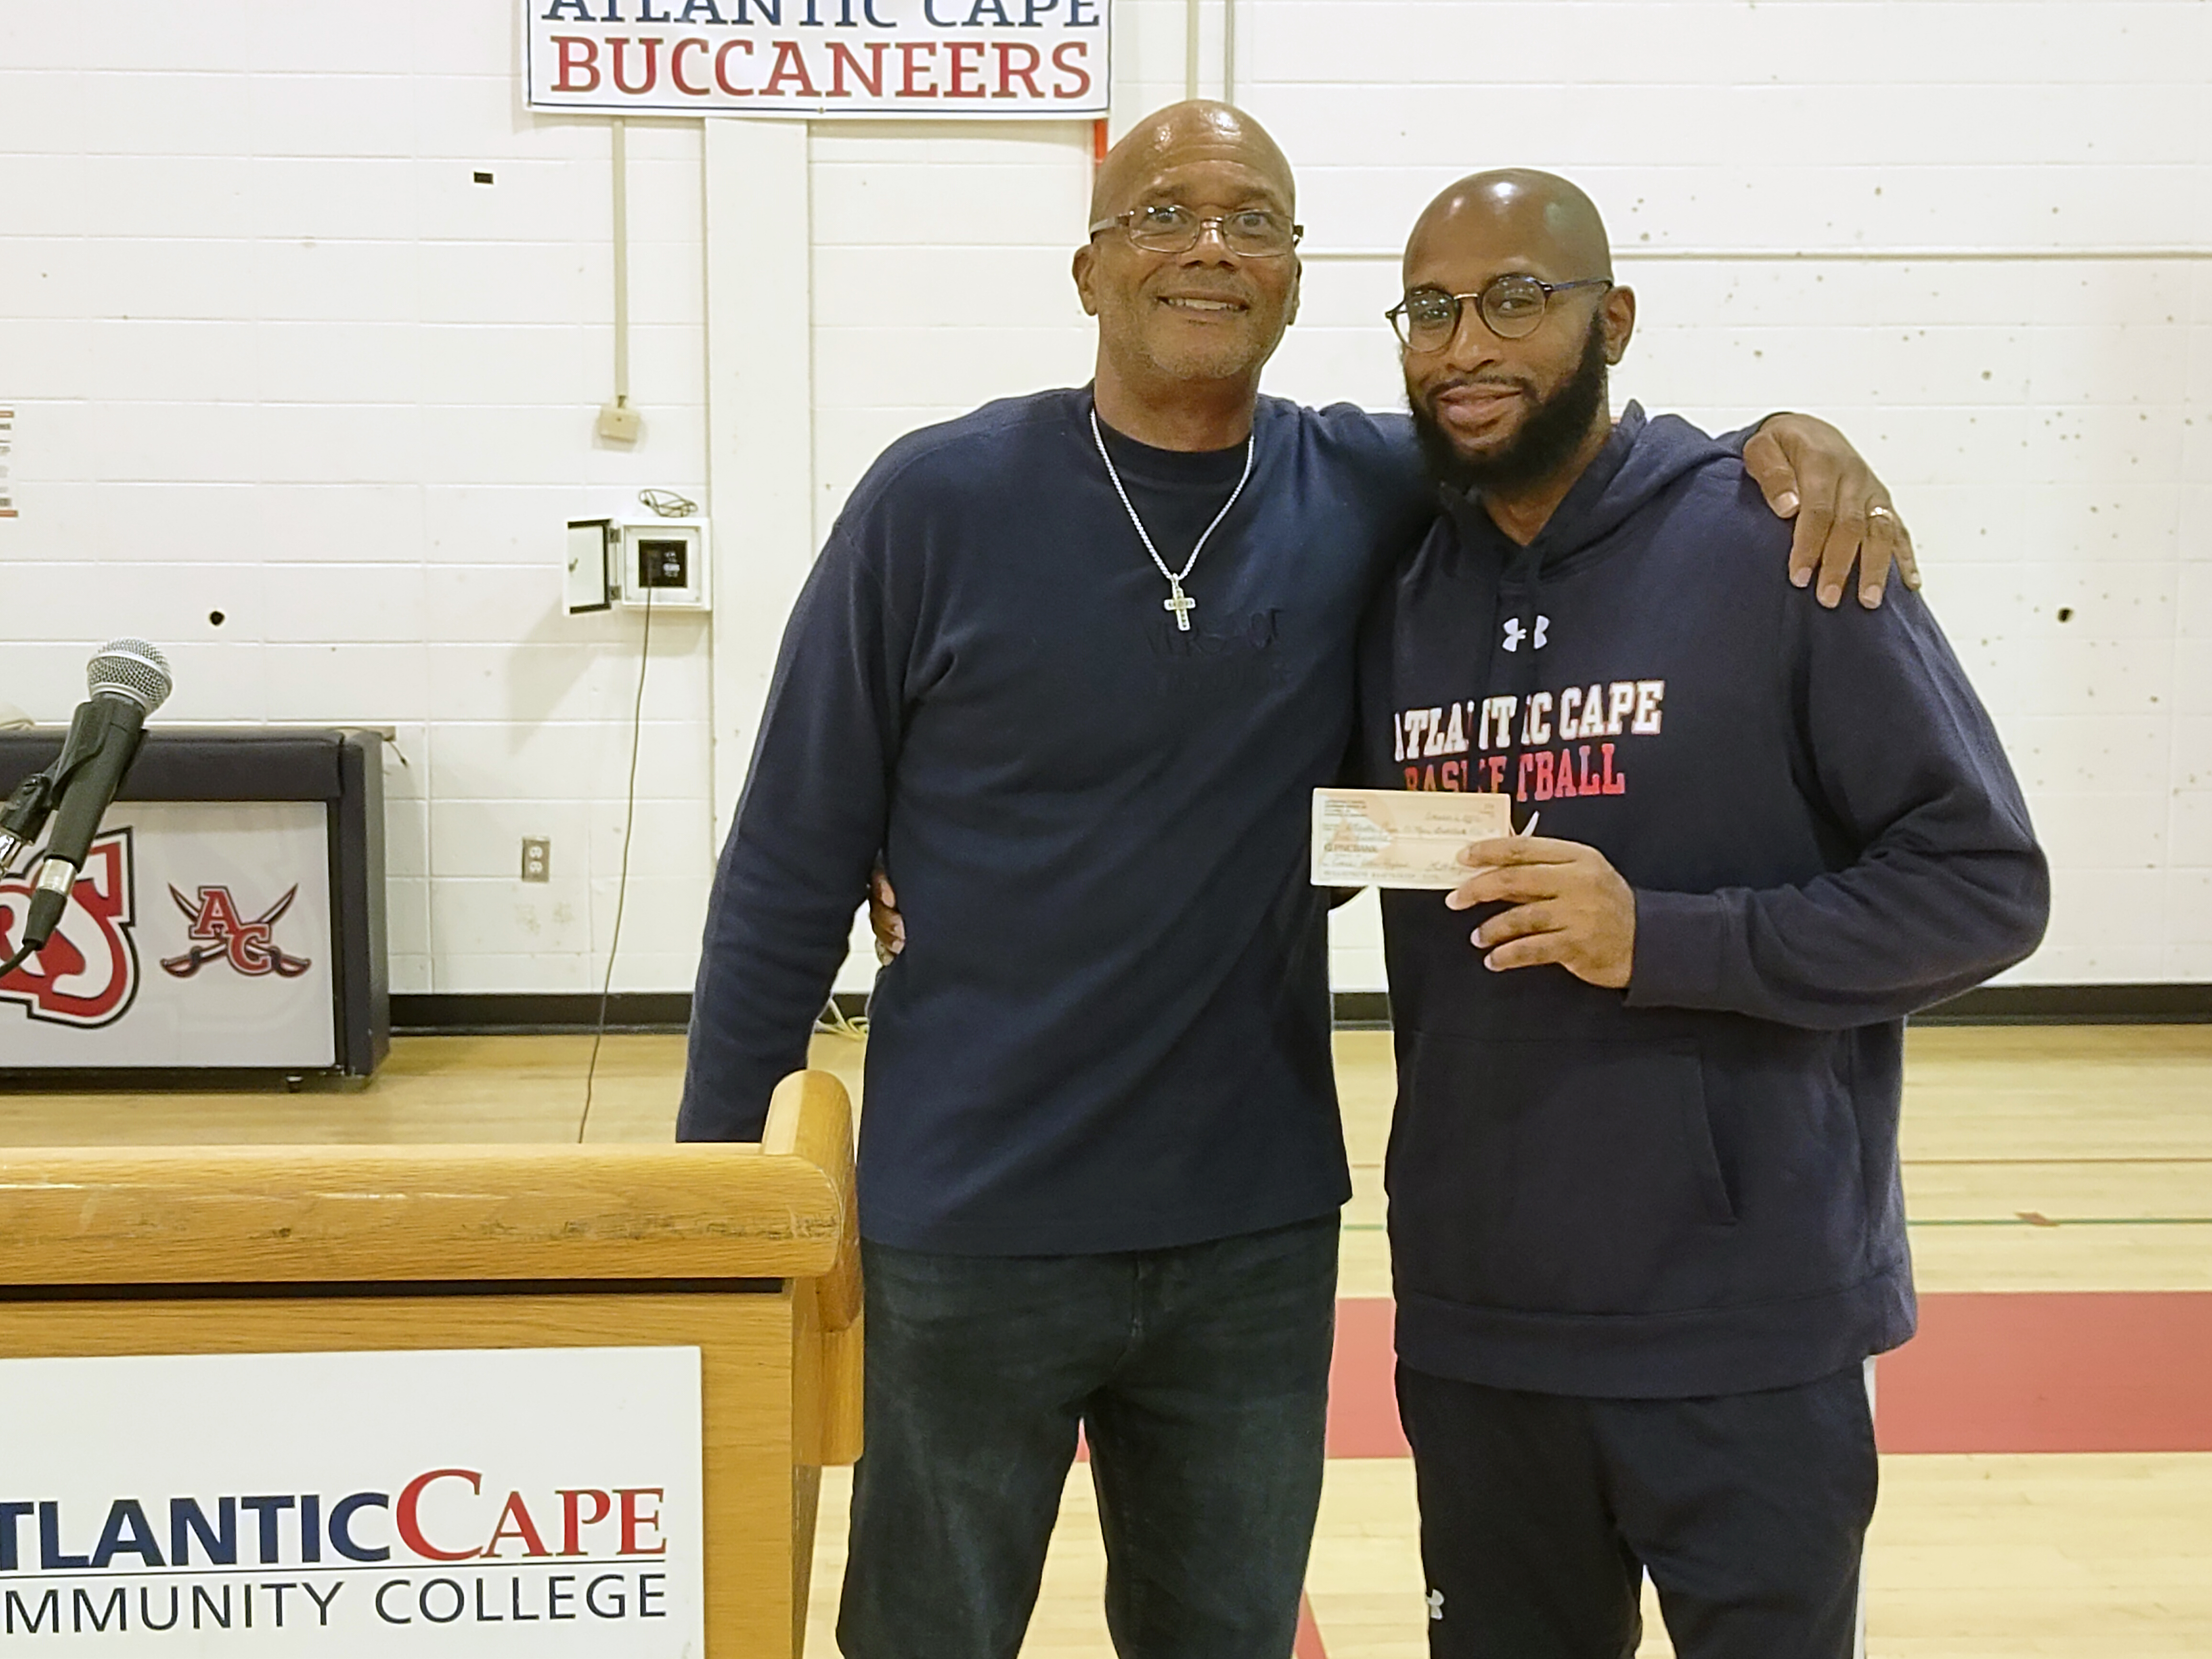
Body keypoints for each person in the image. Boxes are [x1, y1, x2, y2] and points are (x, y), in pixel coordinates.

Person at [679, 102, 1910, 1659]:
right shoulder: (935, 502)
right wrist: (711, 1204)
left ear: (1294, 273)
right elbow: (788, 862)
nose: (1209, 243)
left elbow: (1572, 440)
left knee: (1224, 1635)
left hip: (1250, 1232)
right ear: (1087, 269)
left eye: (1254, 218)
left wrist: (1777, 449)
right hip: (966, 1225)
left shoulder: (1374, 486)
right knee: (925, 1633)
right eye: (1163, 214)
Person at [1356, 169, 2050, 1659]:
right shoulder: (1397, 583)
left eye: (1516, 300)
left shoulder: (1775, 543)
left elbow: (1984, 882)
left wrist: (1662, 937)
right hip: (1481, 1331)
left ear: (1612, 319)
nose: (1466, 342)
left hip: (1746, 1326)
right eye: (1430, 307)